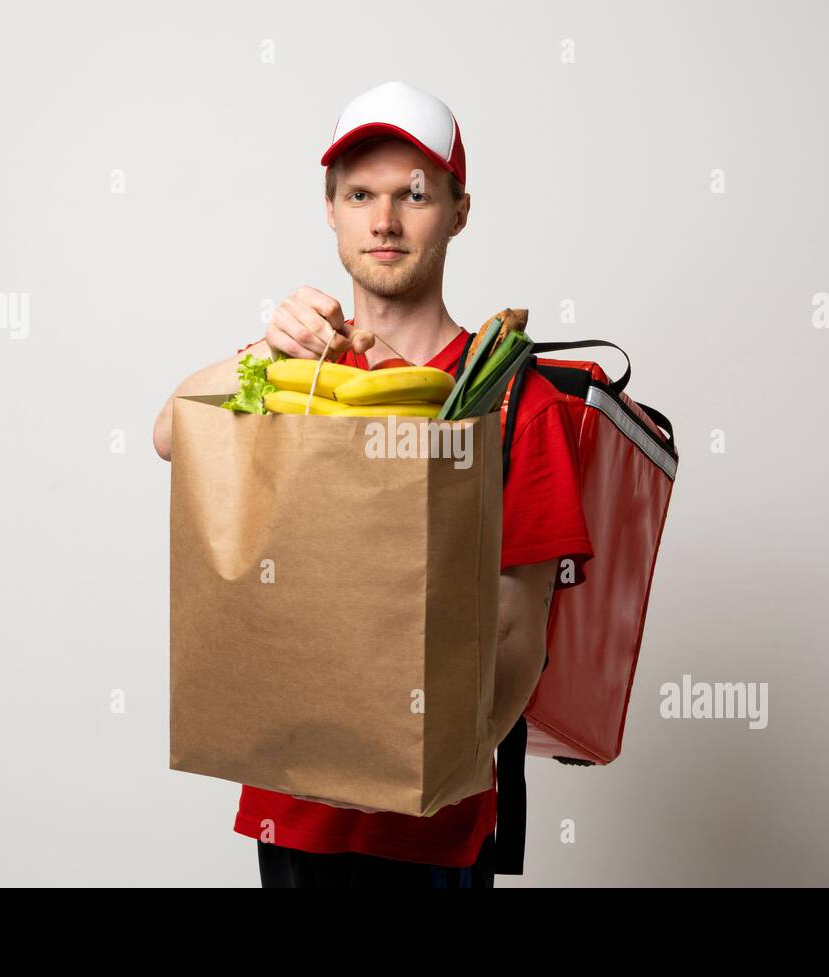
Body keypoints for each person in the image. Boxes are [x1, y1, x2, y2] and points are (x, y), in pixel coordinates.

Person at [152, 81, 594, 888]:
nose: (384, 221)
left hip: (434, 833)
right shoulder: (301, 370)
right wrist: (263, 355)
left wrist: (446, 773)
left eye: (413, 196)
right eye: (360, 194)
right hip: (293, 804)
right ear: (330, 209)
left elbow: (520, 626)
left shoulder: (511, 399)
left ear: (459, 211)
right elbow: (168, 433)